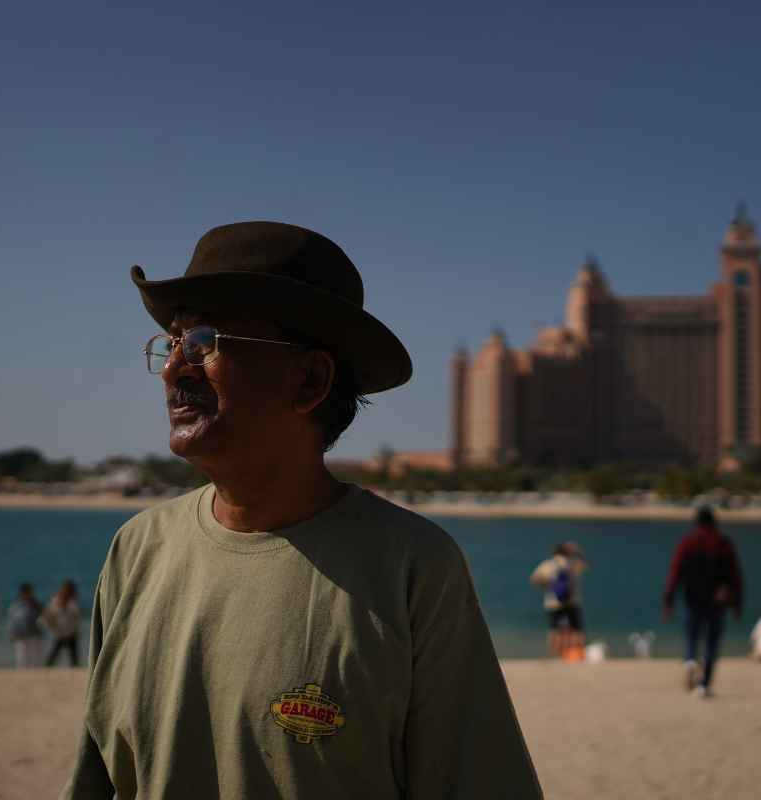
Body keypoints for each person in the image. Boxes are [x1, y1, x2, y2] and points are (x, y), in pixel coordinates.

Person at [63, 222, 540, 799]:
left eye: (204, 342)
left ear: (310, 379)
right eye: (171, 343)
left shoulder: (411, 569)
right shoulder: (137, 549)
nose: (172, 369)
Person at [662, 506, 744, 697]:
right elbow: (735, 576)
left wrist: (669, 600)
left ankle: (690, 659)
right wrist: (737, 603)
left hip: (693, 597)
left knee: (692, 634)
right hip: (717, 600)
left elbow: (675, 572)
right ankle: (703, 685)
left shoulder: (688, 543)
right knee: (711, 642)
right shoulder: (724, 543)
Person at [530, 541, 589, 658]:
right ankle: (577, 654)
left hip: (553, 601)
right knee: (577, 630)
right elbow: (585, 566)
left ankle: (554, 655)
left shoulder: (548, 564)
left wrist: (549, 586)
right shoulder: (573, 563)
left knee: (554, 630)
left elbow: (534, 579)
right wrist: (579, 553)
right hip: (572, 601)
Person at [44, 579, 82, 666]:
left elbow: (77, 618)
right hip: (60, 632)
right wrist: (53, 626)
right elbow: (48, 615)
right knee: (54, 655)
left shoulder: (73, 602)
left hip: (70, 632)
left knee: (73, 657)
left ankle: (47, 668)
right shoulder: (56, 600)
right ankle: (46, 669)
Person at [7, 582, 45, 668]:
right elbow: (12, 620)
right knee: (21, 657)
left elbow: (43, 617)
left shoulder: (36, 604)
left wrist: (42, 629)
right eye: (26, 592)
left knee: (36, 657)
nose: (28, 594)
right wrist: (11, 632)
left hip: (34, 633)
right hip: (20, 634)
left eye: (29, 592)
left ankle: (36, 674)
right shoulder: (15, 605)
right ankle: (22, 674)